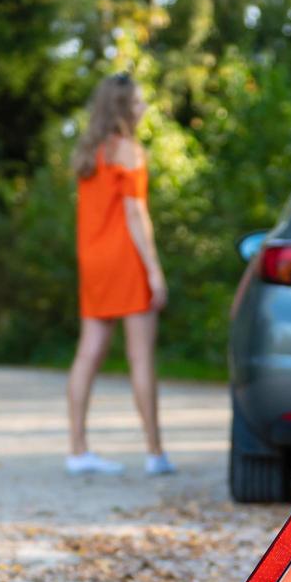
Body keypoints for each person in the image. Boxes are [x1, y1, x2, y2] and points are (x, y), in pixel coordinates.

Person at [65, 73, 175, 476]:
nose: (143, 108)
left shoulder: (89, 154)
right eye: (138, 103)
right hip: (125, 260)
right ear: (123, 108)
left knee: (88, 352)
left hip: (92, 261)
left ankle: (77, 450)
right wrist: (155, 272)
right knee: (140, 356)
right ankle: (154, 452)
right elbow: (135, 215)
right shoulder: (128, 151)